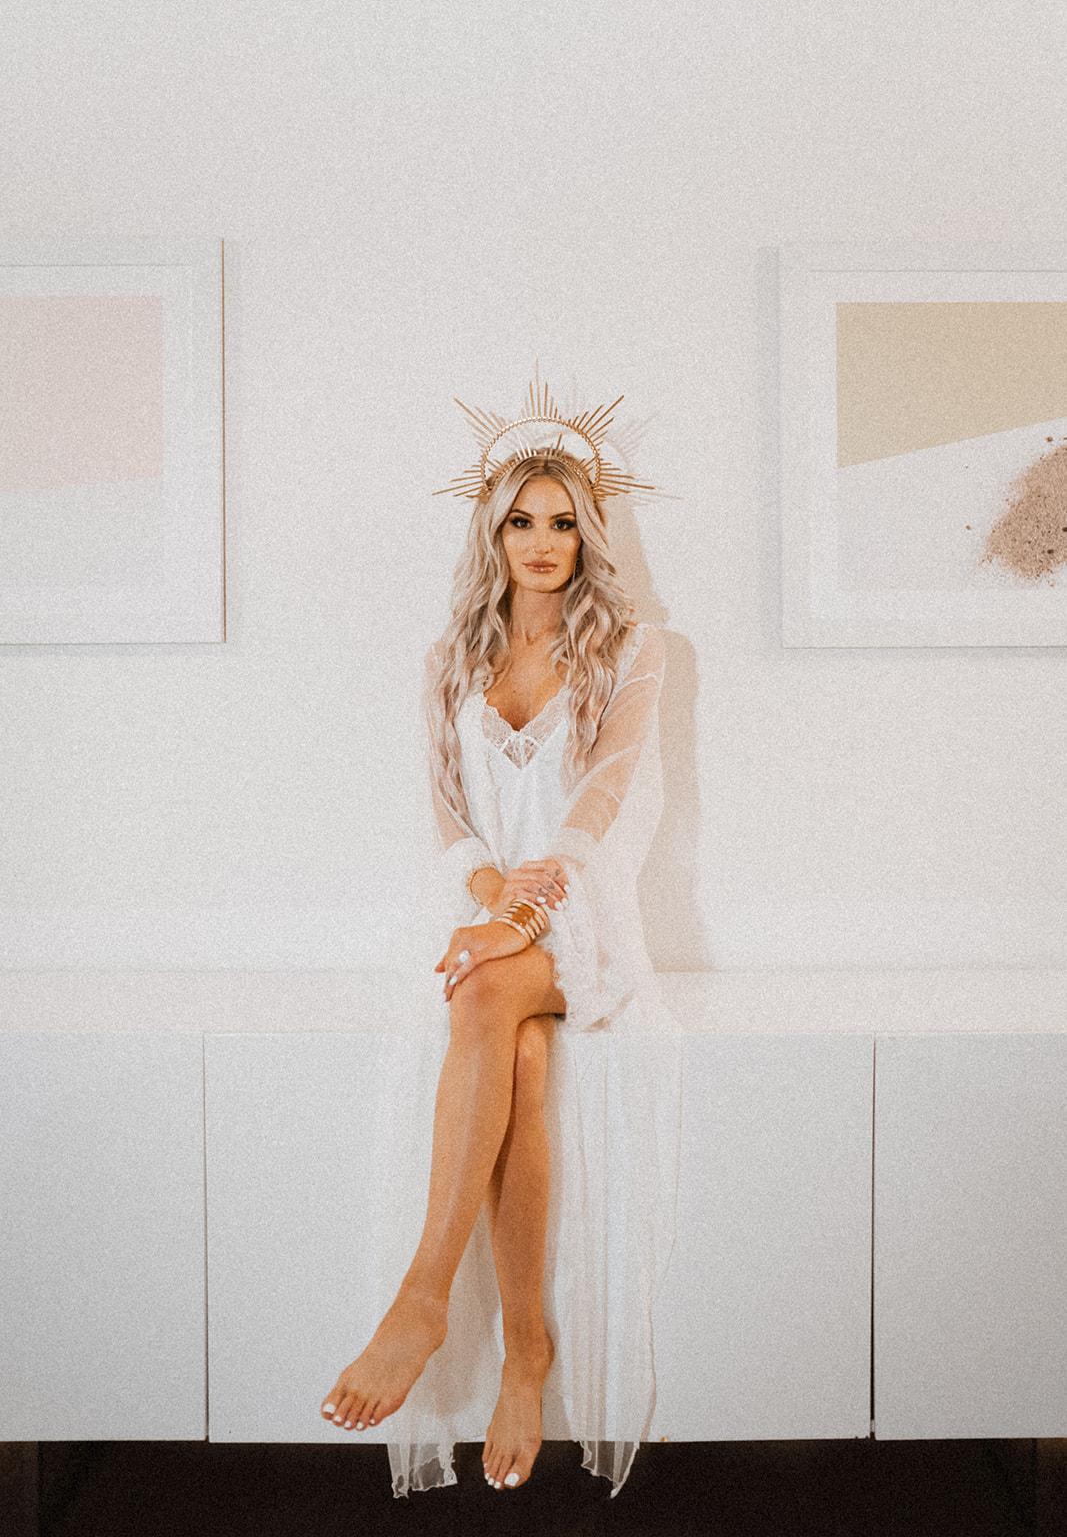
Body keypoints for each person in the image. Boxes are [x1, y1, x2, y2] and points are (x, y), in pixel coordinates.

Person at [319, 373, 683, 1499]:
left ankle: (421, 1296)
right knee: (515, 1048)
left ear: (591, 531)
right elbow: (443, 812)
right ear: (491, 532)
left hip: (586, 921)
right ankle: (525, 1352)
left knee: (484, 994)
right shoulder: (449, 658)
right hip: (481, 912)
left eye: (563, 521)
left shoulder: (636, 646)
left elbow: (603, 800)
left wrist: (524, 913)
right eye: (520, 521)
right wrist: (485, 896)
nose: (541, 542)